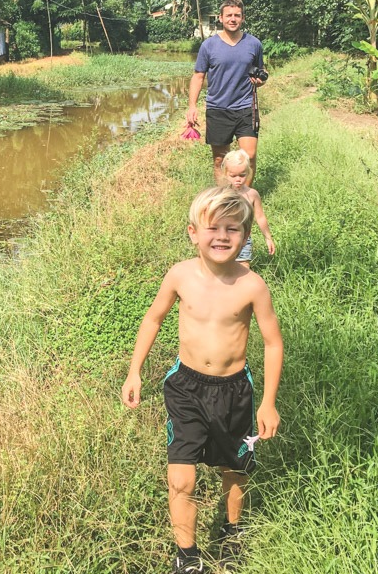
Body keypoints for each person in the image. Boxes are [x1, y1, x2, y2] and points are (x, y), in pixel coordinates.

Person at [121, 187, 283, 573]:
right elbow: (153, 319)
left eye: (233, 228)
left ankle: (231, 533)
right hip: (186, 387)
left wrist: (268, 401)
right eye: (213, 227)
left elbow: (273, 343)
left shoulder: (252, 285)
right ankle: (188, 557)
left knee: (235, 470)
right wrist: (134, 371)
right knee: (181, 479)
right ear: (194, 232)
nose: (223, 236)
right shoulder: (180, 275)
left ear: (244, 237)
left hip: (235, 391)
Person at [185, 0, 266, 185]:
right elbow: (198, 76)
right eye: (228, 15)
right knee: (220, 160)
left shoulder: (254, 44)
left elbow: (262, 70)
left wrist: (260, 80)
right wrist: (192, 106)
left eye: (237, 15)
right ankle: (225, 200)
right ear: (220, 18)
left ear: (243, 18)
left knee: (250, 156)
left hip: (246, 107)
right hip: (218, 108)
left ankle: (244, 201)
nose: (233, 19)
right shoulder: (209, 46)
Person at [220, 149, 275, 265]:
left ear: (248, 173)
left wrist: (268, 238)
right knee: (223, 268)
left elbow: (260, 217)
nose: (238, 179)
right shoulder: (222, 195)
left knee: (243, 268)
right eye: (233, 176)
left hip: (244, 239)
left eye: (242, 175)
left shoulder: (252, 194)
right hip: (224, 238)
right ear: (225, 173)